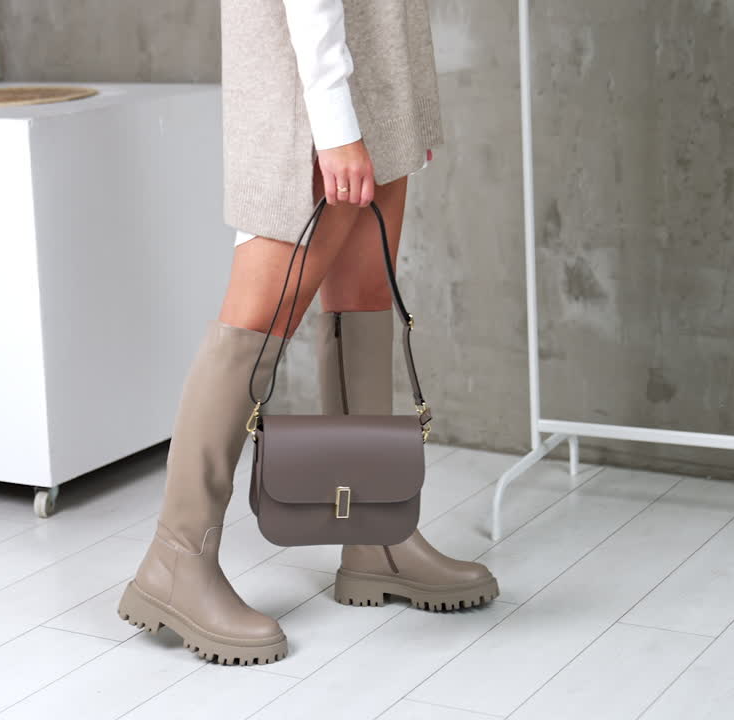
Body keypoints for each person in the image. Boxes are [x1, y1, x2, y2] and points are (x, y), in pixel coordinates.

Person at [117, 0, 498, 666]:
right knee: (259, 316)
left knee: (365, 292)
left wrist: (404, 93)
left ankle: (373, 534)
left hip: (377, 59)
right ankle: (175, 559)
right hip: (315, 76)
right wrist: (334, 120)